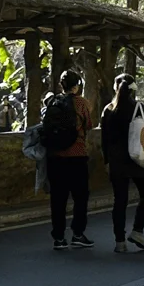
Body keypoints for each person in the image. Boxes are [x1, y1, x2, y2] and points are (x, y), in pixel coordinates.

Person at [39, 68, 95, 251]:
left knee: (58, 198)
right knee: (80, 197)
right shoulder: (82, 104)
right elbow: (89, 125)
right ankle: (78, 233)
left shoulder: (53, 101)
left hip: (56, 157)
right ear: (77, 86)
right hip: (77, 156)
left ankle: (59, 237)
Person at [101, 74, 144, 253]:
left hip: (117, 163)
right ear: (133, 89)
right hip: (137, 160)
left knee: (120, 201)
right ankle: (137, 230)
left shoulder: (108, 110)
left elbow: (104, 140)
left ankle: (119, 242)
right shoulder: (139, 108)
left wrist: (106, 161)